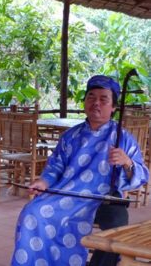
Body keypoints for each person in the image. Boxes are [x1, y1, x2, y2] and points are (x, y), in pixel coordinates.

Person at [11, 75, 149, 265]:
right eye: (91, 97)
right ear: (84, 102)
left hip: (104, 199)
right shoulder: (70, 136)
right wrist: (43, 182)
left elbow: (142, 175)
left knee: (117, 228)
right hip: (68, 194)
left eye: (103, 99)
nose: (96, 103)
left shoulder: (123, 138)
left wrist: (127, 162)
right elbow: (56, 166)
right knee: (32, 212)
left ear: (114, 107)